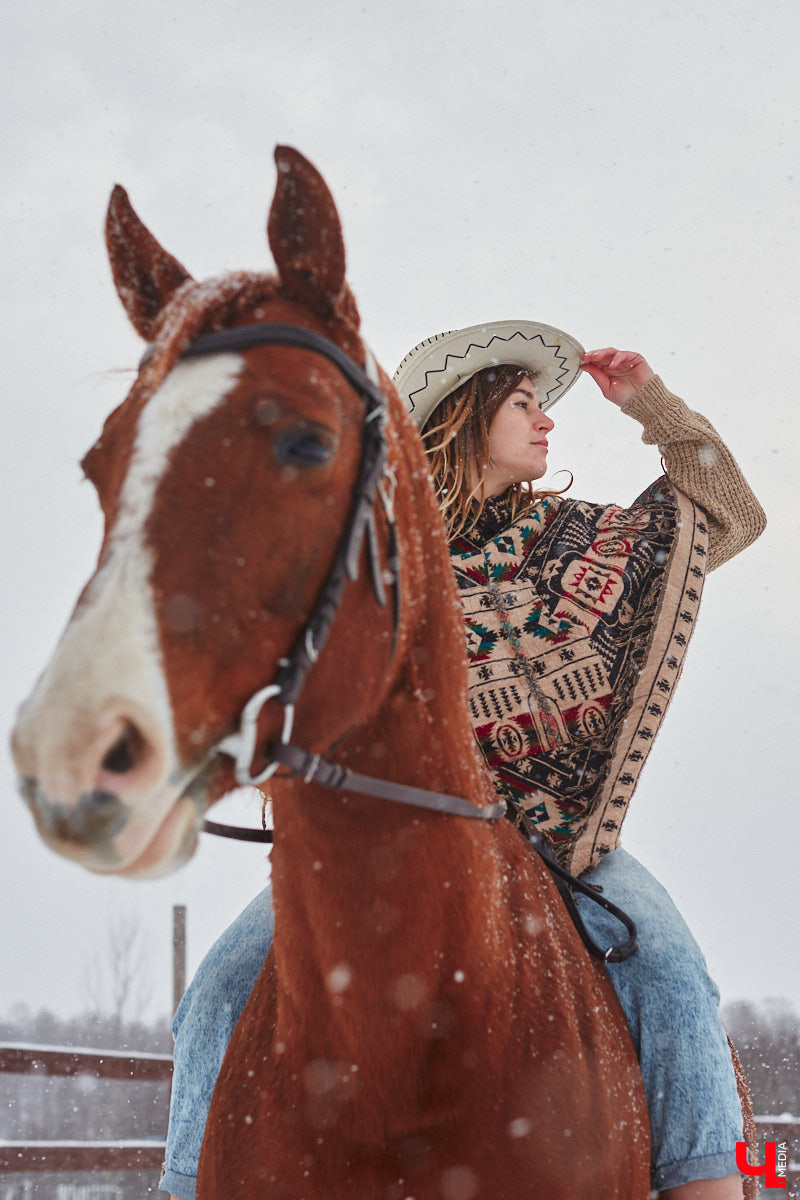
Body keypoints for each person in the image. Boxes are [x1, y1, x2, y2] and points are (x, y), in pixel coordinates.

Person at [159, 321, 765, 1200]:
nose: (548, 422)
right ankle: (184, 1185)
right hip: (381, 853)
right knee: (216, 994)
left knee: (673, 975)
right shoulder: (370, 570)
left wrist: (652, 407)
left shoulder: (578, 542)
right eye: (523, 404)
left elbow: (729, 515)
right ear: (462, 416)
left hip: (564, 848)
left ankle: (708, 1186)